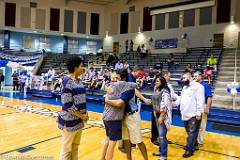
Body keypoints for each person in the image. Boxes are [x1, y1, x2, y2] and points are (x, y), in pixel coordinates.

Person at [105, 69, 149, 160]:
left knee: (138, 141)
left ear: (123, 78)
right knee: (126, 141)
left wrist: (106, 100)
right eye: (115, 77)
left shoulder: (128, 87)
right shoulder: (120, 86)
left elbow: (120, 102)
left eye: (117, 77)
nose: (116, 79)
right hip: (123, 116)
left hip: (132, 115)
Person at [57, 57, 89, 160]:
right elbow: (68, 104)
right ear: (75, 67)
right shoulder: (66, 81)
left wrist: (85, 113)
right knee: (67, 150)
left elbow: (82, 99)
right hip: (69, 121)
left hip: (79, 121)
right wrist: (82, 116)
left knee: (75, 147)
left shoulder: (79, 81)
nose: (82, 68)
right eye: (81, 66)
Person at [174, 72, 205, 158]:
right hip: (185, 113)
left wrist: (199, 112)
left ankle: (189, 150)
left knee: (192, 132)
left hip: (194, 114)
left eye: (184, 78)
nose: (183, 80)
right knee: (189, 131)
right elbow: (181, 98)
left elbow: (200, 100)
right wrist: (175, 103)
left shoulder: (198, 87)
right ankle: (194, 145)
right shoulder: (184, 87)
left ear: (190, 77)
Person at [152, 75, 172, 160]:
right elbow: (154, 101)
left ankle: (164, 155)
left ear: (162, 83)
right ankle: (160, 151)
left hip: (163, 116)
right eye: (155, 81)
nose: (155, 82)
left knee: (162, 136)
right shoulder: (156, 90)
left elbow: (165, 105)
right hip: (157, 114)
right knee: (160, 136)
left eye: (157, 81)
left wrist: (161, 116)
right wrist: (154, 111)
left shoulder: (165, 92)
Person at [193, 71, 212, 146]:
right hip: (195, 106)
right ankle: (194, 140)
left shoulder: (205, 85)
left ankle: (199, 141)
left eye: (196, 76)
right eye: (194, 76)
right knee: (194, 125)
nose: (194, 77)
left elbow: (209, 97)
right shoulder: (194, 85)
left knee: (201, 125)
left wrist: (207, 108)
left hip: (202, 106)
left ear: (200, 76)